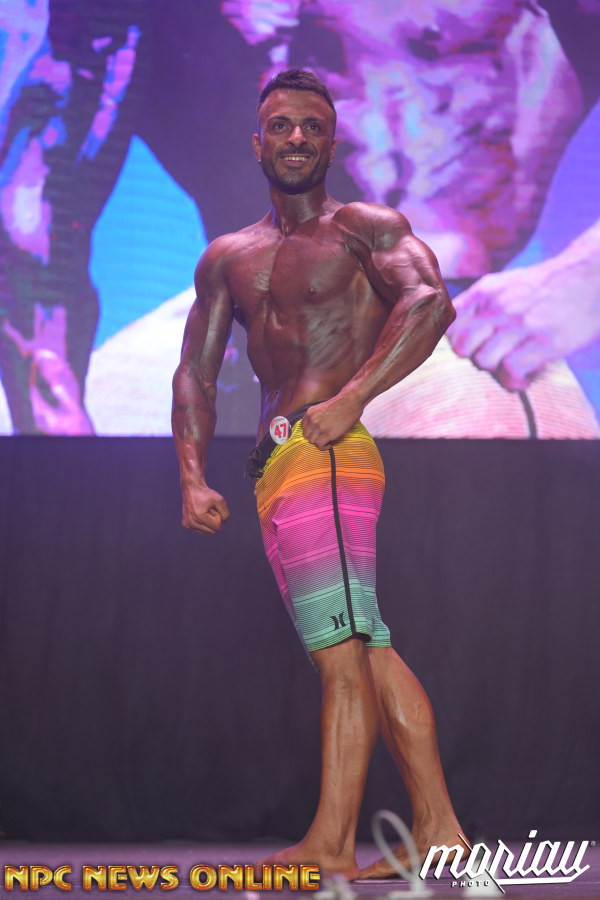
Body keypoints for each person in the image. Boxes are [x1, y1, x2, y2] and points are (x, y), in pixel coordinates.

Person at [171, 68, 464, 880]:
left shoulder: (362, 228)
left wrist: (352, 398)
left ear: (332, 143)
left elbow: (431, 301)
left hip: (329, 451)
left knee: (341, 651)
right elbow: (195, 373)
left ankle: (331, 844)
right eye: (281, 125)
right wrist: (192, 476)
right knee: (364, 647)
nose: (296, 137)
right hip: (278, 465)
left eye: (311, 126)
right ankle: (439, 828)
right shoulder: (228, 256)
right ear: (257, 142)